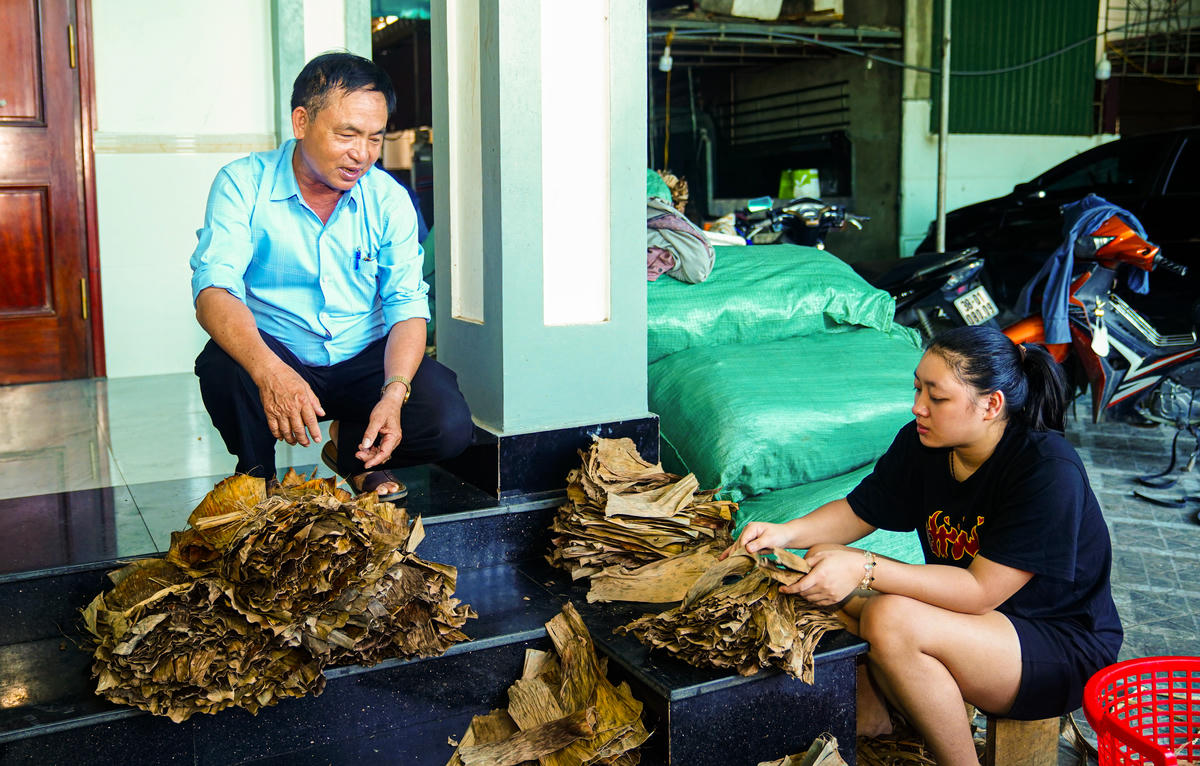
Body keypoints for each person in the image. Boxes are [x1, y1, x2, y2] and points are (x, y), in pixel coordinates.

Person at [730, 326, 1121, 766]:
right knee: (813, 583)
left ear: (991, 405)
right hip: (972, 621)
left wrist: (864, 566)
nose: (919, 407)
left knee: (890, 615)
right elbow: (859, 511)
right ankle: (878, 715)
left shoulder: (1047, 469)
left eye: (937, 397)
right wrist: (783, 534)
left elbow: (979, 592)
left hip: (1055, 642)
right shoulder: (924, 445)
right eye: (917, 389)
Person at [190, 52, 473, 500]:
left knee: (447, 422)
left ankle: (352, 454)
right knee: (223, 366)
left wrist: (394, 394)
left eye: (374, 139)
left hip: (362, 356)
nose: (361, 154)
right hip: (282, 352)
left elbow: (407, 306)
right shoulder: (243, 183)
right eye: (347, 135)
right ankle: (256, 476)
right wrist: (270, 371)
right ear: (302, 122)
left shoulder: (389, 199)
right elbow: (214, 289)